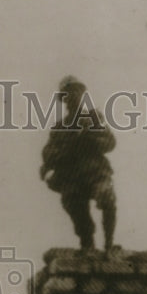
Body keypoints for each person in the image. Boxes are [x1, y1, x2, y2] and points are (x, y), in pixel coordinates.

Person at [39, 75, 118, 252]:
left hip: (95, 171)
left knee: (106, 196)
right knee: (73, 203)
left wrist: (88, 137)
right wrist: (63, 152)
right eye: (68, 94)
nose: (73, 97)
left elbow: (110, 142)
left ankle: (109, 245)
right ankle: (87, 244)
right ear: (64, 99)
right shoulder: (60, 127)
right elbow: (48, 153)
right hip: (72, 177)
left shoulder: (93, 120)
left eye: (77, 92)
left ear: (82, 95)